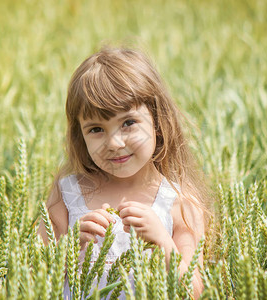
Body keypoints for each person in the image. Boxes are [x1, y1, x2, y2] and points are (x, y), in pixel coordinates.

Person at [38, 47, 212, 299]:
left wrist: (163, 244)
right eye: (96, 129)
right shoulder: (67, 194)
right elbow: (30, 277)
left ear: (157, 121)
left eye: (128, 123)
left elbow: (196, 292)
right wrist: (69, 250)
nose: (114, 142)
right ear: (80, 135)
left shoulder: (180, 203)